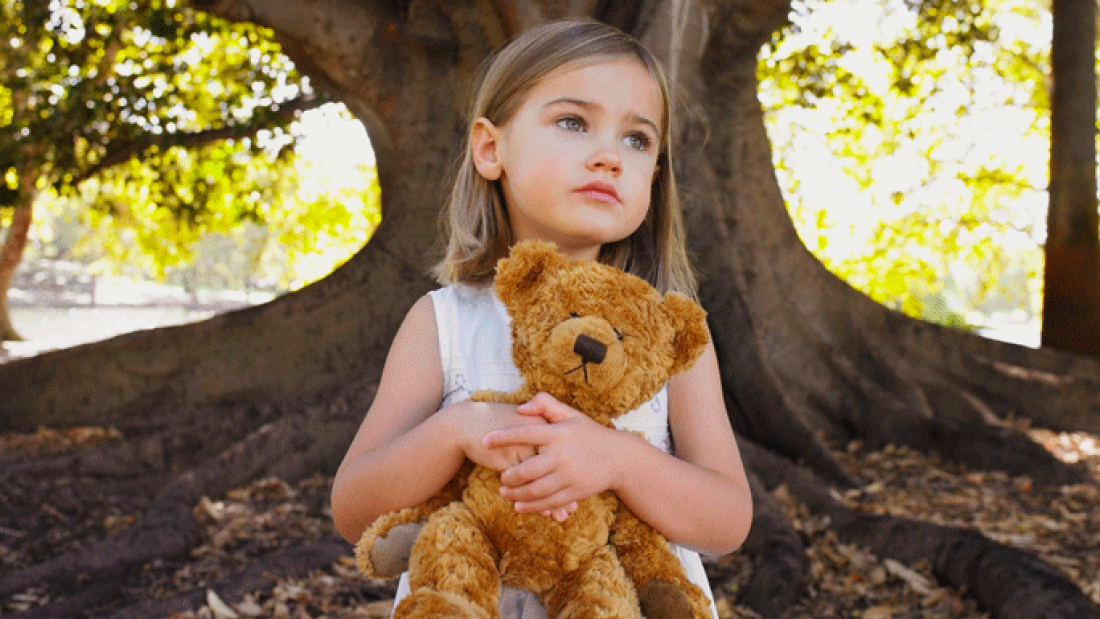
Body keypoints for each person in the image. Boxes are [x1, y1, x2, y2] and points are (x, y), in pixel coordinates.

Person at [331, 18, 752, 618]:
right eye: (574, 122)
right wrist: (460, 428)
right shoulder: (442, 322)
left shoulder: (668, 338)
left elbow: (728, 519)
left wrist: (616, 459)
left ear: (654, 179)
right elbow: (354, 509)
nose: (609, 156)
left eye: (638, 140)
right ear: (490, 148)